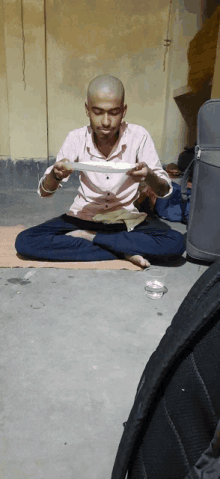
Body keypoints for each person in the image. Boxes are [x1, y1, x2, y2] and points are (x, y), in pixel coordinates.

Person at [15, 75, 185, 268]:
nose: (106, 121)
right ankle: (122, 250)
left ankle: (90, 239)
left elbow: (164, 191)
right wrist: (55, 174)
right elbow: (45, 192)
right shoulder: (76, 138)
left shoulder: (139, 137)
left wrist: (149, 175)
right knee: (25, 241)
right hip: (83, 218)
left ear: (124, 111)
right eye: (97, 112)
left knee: (176, 243)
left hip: (125, 221)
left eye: (114, 112)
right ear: (87, 110)